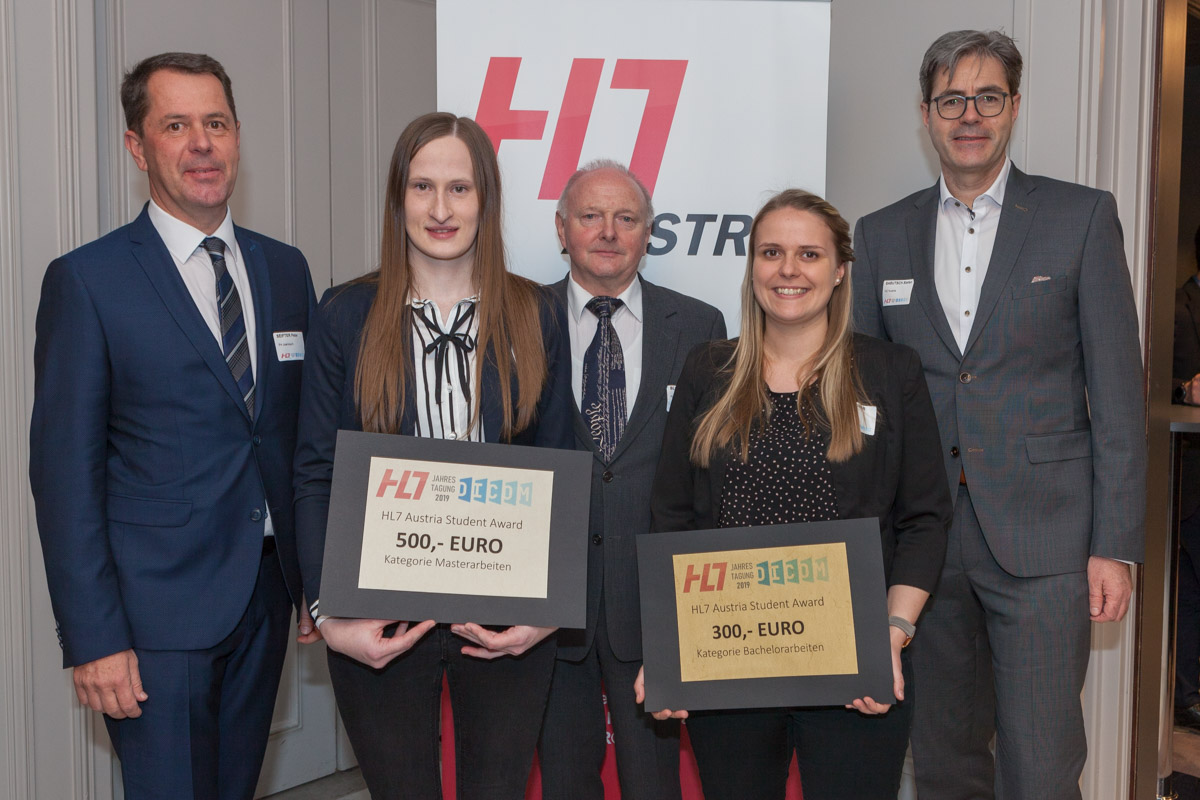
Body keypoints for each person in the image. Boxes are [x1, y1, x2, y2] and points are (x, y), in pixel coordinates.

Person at [852, 29, 1146, 800]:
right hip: (924, 546)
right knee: (944, 764)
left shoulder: (1082, 218)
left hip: (1049, 544)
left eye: (988, 97)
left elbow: (1118, 395)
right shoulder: (881, 236)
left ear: (1014, 107)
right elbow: (866, 401)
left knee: (1042, 768)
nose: (969, 115)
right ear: (927, 114)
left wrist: (1115, 545)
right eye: (952, 100)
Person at [28, 52, 317, 799]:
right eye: (176, 125)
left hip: (265, 597)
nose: (201, 144)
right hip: (153, 618)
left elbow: (298, 440)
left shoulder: (285, 271)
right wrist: (95, 640)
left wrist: (319, 580)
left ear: (238, 135)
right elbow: (65, 477)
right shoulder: (89, 281)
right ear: (137, 144)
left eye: (215, 123)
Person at [291, 111, 574, 799]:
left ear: (486, 201)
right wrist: (330, 615)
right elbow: (314, 471)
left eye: (460, 188)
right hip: (378, 615)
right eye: (422, 187)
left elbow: (565, 462)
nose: (441, 209)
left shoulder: (535, 313)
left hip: (506, 615)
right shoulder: (345, 315)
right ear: (398, 199)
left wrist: (549, 613)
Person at [637, 189, 951, 800]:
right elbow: (671, 517)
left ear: (839, 272)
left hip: (854, 660)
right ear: (752, 266)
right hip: (729, 659)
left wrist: (890, 635)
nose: (788, 270)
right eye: (771, 252)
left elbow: (925, 519)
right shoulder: (709, 371)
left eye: (809, 254)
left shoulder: (890, 372)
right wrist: (671, 649)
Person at [538, 160, 726, 800]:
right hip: (547, 600)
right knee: (565, 780)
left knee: (654, 785)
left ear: (650, 233)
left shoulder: (700, 328)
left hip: (655, 605)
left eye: (626, 218)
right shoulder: (520, 317)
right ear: (562, 230)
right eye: (591, 216)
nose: (608, 232)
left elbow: (709, 475)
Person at [1172, 223, 1200, 730]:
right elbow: (1151, 382)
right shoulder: (1176, 308)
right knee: (1188, 593)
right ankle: (1186, 694)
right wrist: (1185, 387)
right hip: (1191, 480)